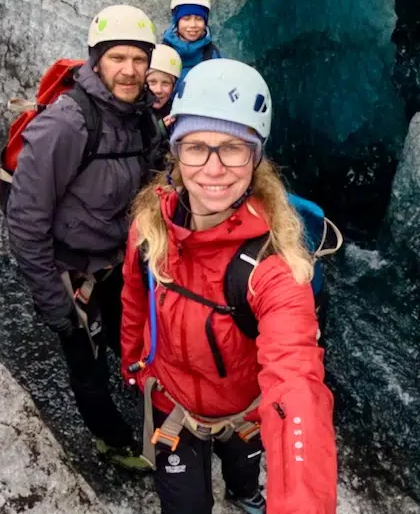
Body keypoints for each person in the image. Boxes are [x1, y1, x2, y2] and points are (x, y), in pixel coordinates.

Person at [122, 59, 337, 514]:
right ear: (176, 151)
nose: (214, 168)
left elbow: (296, 383)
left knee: (244, 476)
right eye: (196, 147)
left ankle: (245, 493)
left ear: (255, 156)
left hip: (243, 414)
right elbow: (135, 300)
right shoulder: (149, 228)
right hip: (172, 405)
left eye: (233, 148)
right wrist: (135, 366)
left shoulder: (272, 266)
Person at [5, 4, 157, 472]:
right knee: (85, 362)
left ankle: (139, 405)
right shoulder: (67, 124)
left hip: (117, 263)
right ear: (96, 61)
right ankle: (112, 441)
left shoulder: (143, 119)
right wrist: (53, 302)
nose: (129, 70)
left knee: (125, 339)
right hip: (69, 271)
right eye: (118, 59)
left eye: (139, 59)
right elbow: (26, 221)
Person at [161, 0, 223, 78]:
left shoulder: (214, 56)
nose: (193, 25)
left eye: (199, 19)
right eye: (186, 18)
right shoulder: (161, 55)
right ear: (176, 21)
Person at [147, 43, 183, 127]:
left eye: (165, 83)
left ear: (173, 87)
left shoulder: (176, 113)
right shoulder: (131, 113)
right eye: (152, 82)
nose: (158, 90)